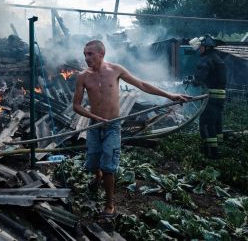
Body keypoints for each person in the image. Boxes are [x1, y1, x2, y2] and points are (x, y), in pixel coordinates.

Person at [72, 40, 189, 217]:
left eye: (90, 54)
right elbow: (76, 106)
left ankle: (110, 205)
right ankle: (97, 177)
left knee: (109, 165)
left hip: (113, 125)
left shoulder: (116, 70)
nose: (86, 58)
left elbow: (141, 84)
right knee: (94, 162)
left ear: (101, 54)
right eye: (85, 54)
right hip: (95, 125)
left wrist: (170, 95)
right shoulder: (83, 76)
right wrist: (94, 117)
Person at [189, 35, 227, 159]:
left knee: (206, 124)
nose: (199, 50)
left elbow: (198, 79)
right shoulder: (218, 59)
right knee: (216, 122)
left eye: (200, 47)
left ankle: (211, 154)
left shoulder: (206, 59)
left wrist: (193, 80)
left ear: (206, 47)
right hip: (220, 96)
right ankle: (219, 147)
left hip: (210, 96)